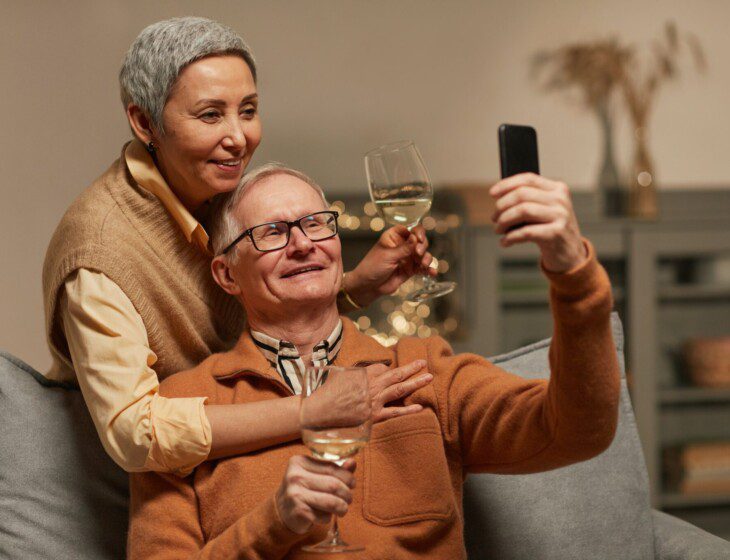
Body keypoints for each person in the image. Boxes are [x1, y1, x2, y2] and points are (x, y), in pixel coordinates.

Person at [127, 164, 621, 559]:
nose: (303, 244)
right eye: (273, 232)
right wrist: (273, 523)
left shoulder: (421, 370)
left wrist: (571, 270)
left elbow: (577, 429)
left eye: (316, 224)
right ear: (227, 275)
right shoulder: (184, 410)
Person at [41, 17, 433, 476]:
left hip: (244, 458)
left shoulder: (209, 185)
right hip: (139, 485)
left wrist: (352, 290)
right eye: (211, 115)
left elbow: (248, 324)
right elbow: (135, 434)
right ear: (144, 121)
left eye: (247, 110)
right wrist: (315, 410)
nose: (239, 138)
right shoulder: (98, 251)